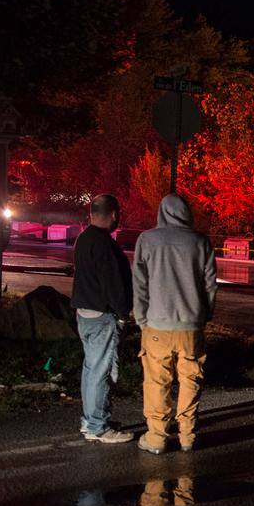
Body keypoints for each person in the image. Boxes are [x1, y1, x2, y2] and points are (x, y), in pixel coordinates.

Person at [132, 194, 218, 455]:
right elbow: (210, 285)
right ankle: (187, 436)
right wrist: (204, 315)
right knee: (191, 380)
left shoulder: (147, 240)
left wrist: (141, 318)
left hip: (157, 325)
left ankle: (157, 437)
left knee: (158, 382)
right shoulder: (200, 242)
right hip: (191, 326)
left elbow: (140, 284)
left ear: (161, 213)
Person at [71, 193, 135, 444]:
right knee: (101, 371)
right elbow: (113, 283)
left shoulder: (84, 238)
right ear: (114, 215)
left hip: (84, 313)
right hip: (101, 315)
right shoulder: (104, 243)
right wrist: (122, 312)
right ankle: (99, 426)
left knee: (91, 369)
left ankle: (90, 420)